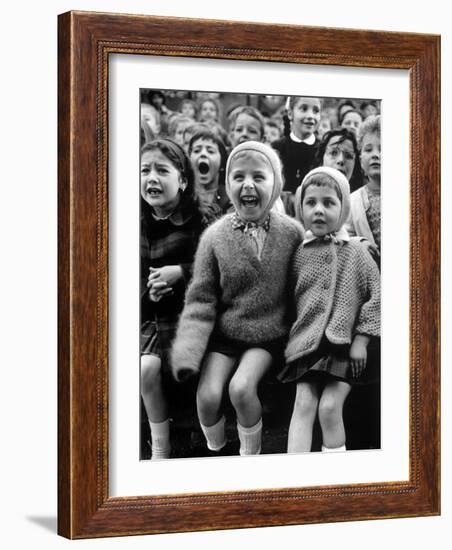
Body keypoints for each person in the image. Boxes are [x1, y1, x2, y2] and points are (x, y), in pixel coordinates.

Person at [171, 141, 304, 456]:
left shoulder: (291, 232)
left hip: (269, 334)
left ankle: (249, 456)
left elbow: (304, 282)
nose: (248, 184)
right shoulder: (215, 237)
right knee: (207, 396)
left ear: (276, 184)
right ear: (228, 184)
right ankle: (217, 450)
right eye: (238, 177)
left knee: (241, 388)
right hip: (227, 334)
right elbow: (200, 298)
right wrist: (189, 350)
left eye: (259, 177)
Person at [280, 167, 380, 454]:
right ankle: (294, 481)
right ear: (301, 208)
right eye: (311, 203)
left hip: (346, 347)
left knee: (329, 407)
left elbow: (377, 297)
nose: (319, 211)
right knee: (303, 402)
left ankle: (335, 478)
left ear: (343, 207)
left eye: (328, 203)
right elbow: (290, 299)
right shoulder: (299, 252)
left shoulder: (357, 252)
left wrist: (362, 340)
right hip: (307, 345)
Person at [140, 138, 208, 459]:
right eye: (144, 170)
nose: (151, 178)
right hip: (152, 317)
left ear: (182, 180)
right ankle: (160, 447)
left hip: (193, 314)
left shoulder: (200, 219)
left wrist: (180, 272)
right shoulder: (134, 224)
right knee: (146, 370)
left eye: (161, 170)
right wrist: (148, 292)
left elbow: (217, 267)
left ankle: (210, 443)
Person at [271, 96, 321, 195]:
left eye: (316, 111)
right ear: (290, 114)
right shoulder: (276, 148)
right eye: (304, 109)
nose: (311, 116)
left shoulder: (322, 149)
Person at [346, 115, 381, 253]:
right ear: (360, 161)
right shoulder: (353, 201)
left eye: (382, 148)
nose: (375, 155)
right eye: (368, 149)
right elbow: (344, 237)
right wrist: (358, 243)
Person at [188, 127, 230, 218]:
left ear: (222, 163)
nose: (203, 154)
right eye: (197, 150)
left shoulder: (231, 198)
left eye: (210, 151)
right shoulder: (181, 198)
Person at [315, 128, 364, 193]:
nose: (341, 160)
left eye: (348, 156)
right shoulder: (304, 192)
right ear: (321, 160)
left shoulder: (360, 200)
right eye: (333, 153)